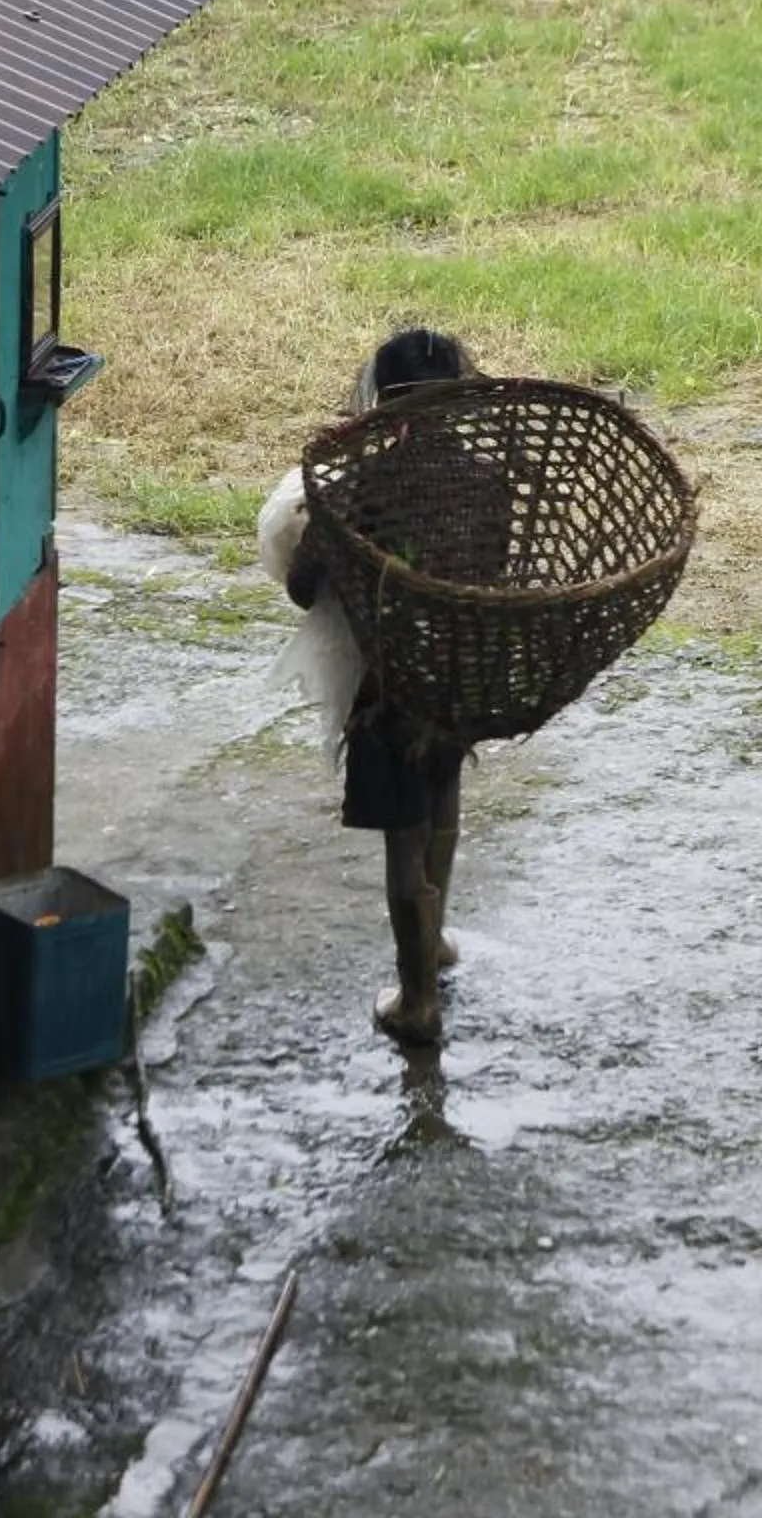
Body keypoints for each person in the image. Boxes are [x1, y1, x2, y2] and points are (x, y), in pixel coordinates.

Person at [266, 327, 508, 1046]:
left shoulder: (360, 487)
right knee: (443, 810)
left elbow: (307, 589)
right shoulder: (485, 480)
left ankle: (416, 1001)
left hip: (389, 697)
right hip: (459, 679)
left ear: (382, 404)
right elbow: (493, 566)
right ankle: (433, 943)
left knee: (403, 847)